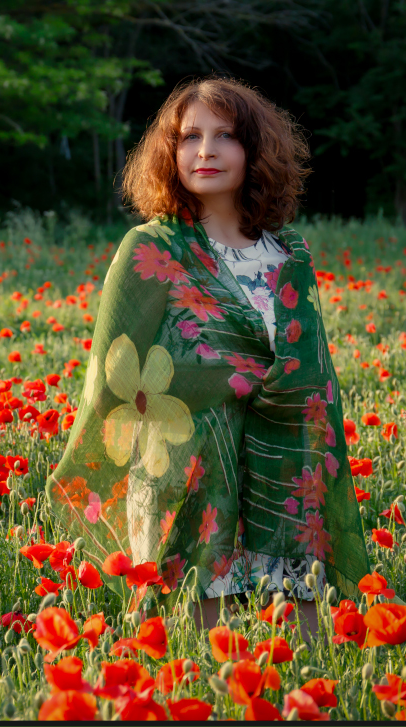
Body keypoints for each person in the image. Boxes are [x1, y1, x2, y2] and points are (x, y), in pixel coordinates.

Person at [45, 76, 370, 641]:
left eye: (226, 136)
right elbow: (114, 375)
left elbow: (313, 371)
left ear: (256, 150)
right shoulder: (151, 250)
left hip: (287, 462)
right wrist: (217, 387)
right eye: (190, 136)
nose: (206, 151)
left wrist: (276, 392)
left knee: (304, 649)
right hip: (186, 468)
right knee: (196, 655)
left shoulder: (287, 252)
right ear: (169, 153)